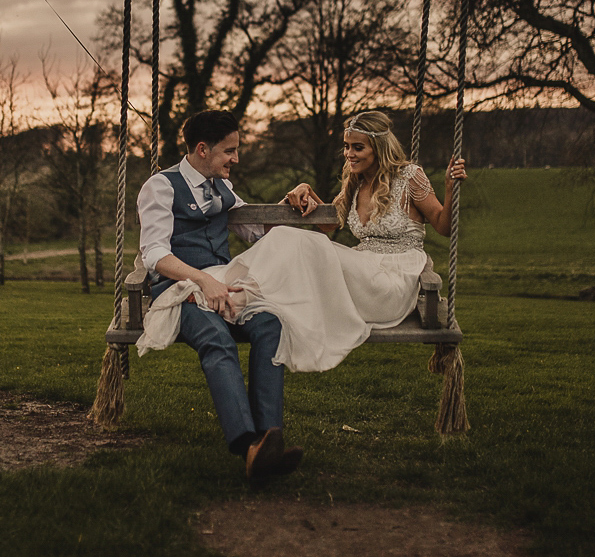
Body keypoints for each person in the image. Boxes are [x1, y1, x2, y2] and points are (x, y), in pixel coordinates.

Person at [138, 110, 466, 375]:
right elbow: (324, 227)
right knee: (294, 248)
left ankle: (234, 295)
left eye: (358, 148)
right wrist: (304, 189)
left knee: (292, 243)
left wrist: (451, 188)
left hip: (393, 279)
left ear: (378, 149)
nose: (349, 154)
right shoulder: (355, 182)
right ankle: (235, 293)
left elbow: (443, 225)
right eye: (347, 146)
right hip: (363, 270)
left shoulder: (410, 176)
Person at [136, 110, 302, 484]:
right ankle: (249, 446)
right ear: (202, 149)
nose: (236, 159)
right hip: (180, 292)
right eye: (230, 151)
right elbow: (155, 255)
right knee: (216, 338)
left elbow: (259, 233)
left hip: (223, 287)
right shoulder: (161, 187)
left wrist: (293, 200)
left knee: (270, 326)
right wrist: (202, 282)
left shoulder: (222, 188)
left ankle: (269, 439)